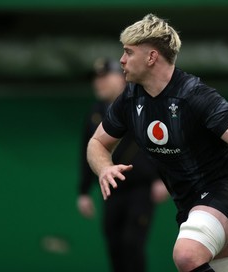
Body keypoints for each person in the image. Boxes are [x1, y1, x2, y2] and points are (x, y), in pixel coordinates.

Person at [87, 14, 228, 272]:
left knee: (187, 255)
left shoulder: (195, 96)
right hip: (188, 204)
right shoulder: (129, 100)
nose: (122, 60)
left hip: (224, 188)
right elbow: (96, 143)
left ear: (151, 57)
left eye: (128, 52)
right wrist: (104, 168)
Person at [77, 58, 168, 272]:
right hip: (111, 188)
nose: (99, 83)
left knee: (132, 243)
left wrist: (163, 179)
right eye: (96, 79)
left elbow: (163, 142)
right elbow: (87, 151)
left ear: (122, 77)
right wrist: (83, 191)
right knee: (114, 244)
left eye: (105, 77)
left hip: (140, 187)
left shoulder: (143, 104)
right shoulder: (94, 113)